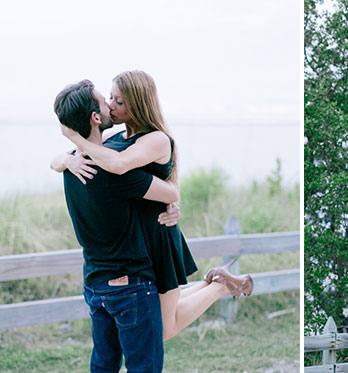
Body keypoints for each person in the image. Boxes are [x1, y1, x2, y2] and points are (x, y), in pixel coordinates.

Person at [53, 79, 200, 373]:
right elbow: (167, 189)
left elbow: (70, 158)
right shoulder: (116, 170)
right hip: (131, 286)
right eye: (107, 101)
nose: (112, 104)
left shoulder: (74, 163)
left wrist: (67, 149)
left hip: (95, 285)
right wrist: (173, 199)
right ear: (97, 117)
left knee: (102, 371)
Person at [51, 70, 253, 341]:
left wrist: (75, 139)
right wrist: (66, 159)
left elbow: (120, 166)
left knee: (163, 329)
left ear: (138, 103)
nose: (111, 105)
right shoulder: (116, 140)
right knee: (158, 313)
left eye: (119, 101)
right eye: (110, 98)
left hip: (157, 235)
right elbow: (76, 163)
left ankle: (220, 288)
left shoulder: (156, 139)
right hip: (138, 238)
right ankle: (217, 280)